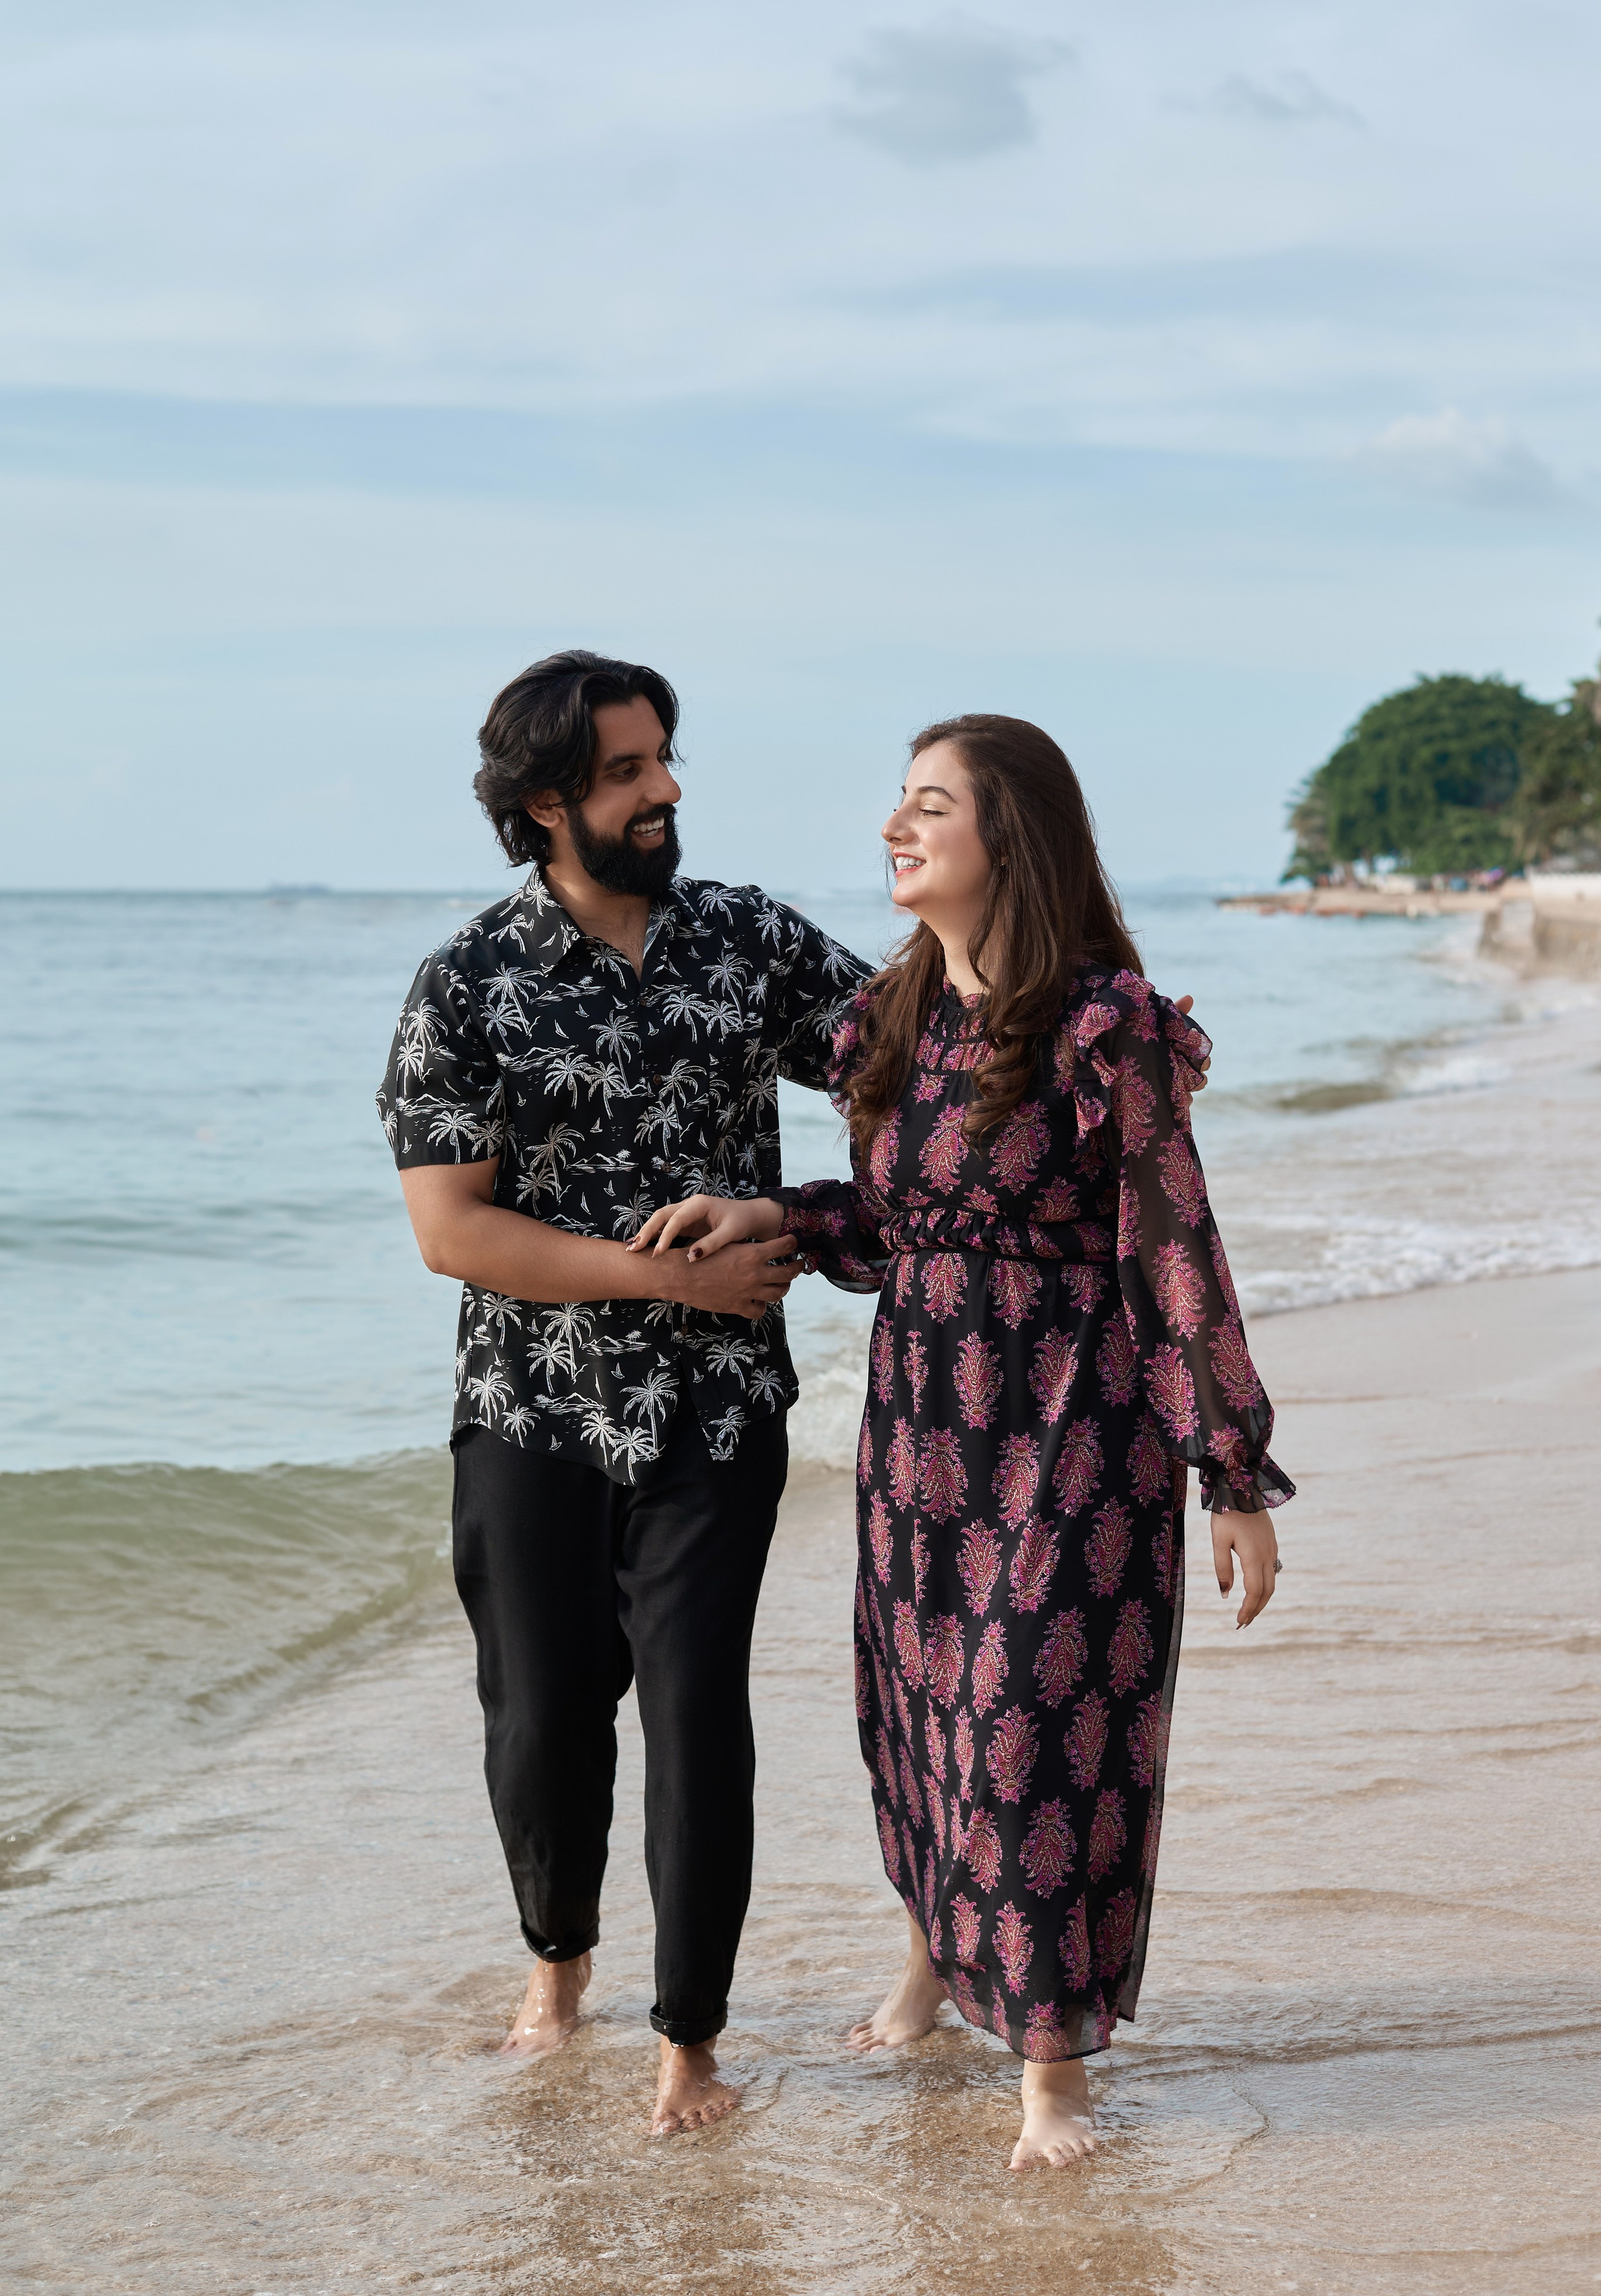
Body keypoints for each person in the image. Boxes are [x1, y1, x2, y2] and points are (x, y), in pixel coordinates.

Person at [630, 712, 1292, 2170]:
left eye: (930, 804)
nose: (894, 824)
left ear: (1013, 838)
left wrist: (1228, 1468)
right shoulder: (894, 1020)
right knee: (923, 1707)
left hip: (1073, 1423)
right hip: (924, 1425)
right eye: (899, 799)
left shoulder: (1101, 1022)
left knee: (1033, 1727)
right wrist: (779, 1219)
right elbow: (903, 1220)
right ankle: (938, 1949)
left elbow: (1169, 1242)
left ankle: (1049, 2073)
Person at [377, 651, 867, 2135]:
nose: (663, 791)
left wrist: (806, 1213)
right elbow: (449, 1230)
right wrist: (663, 1277)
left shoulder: (746, 940)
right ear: (542, 804)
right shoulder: (466, 983)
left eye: (662, 759)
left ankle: (690, 2043)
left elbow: (917, 1067)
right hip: (528, 1410)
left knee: (697, 1714)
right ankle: (556, 1964)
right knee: (538, 1721)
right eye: (625, 771)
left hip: (720, 1414)